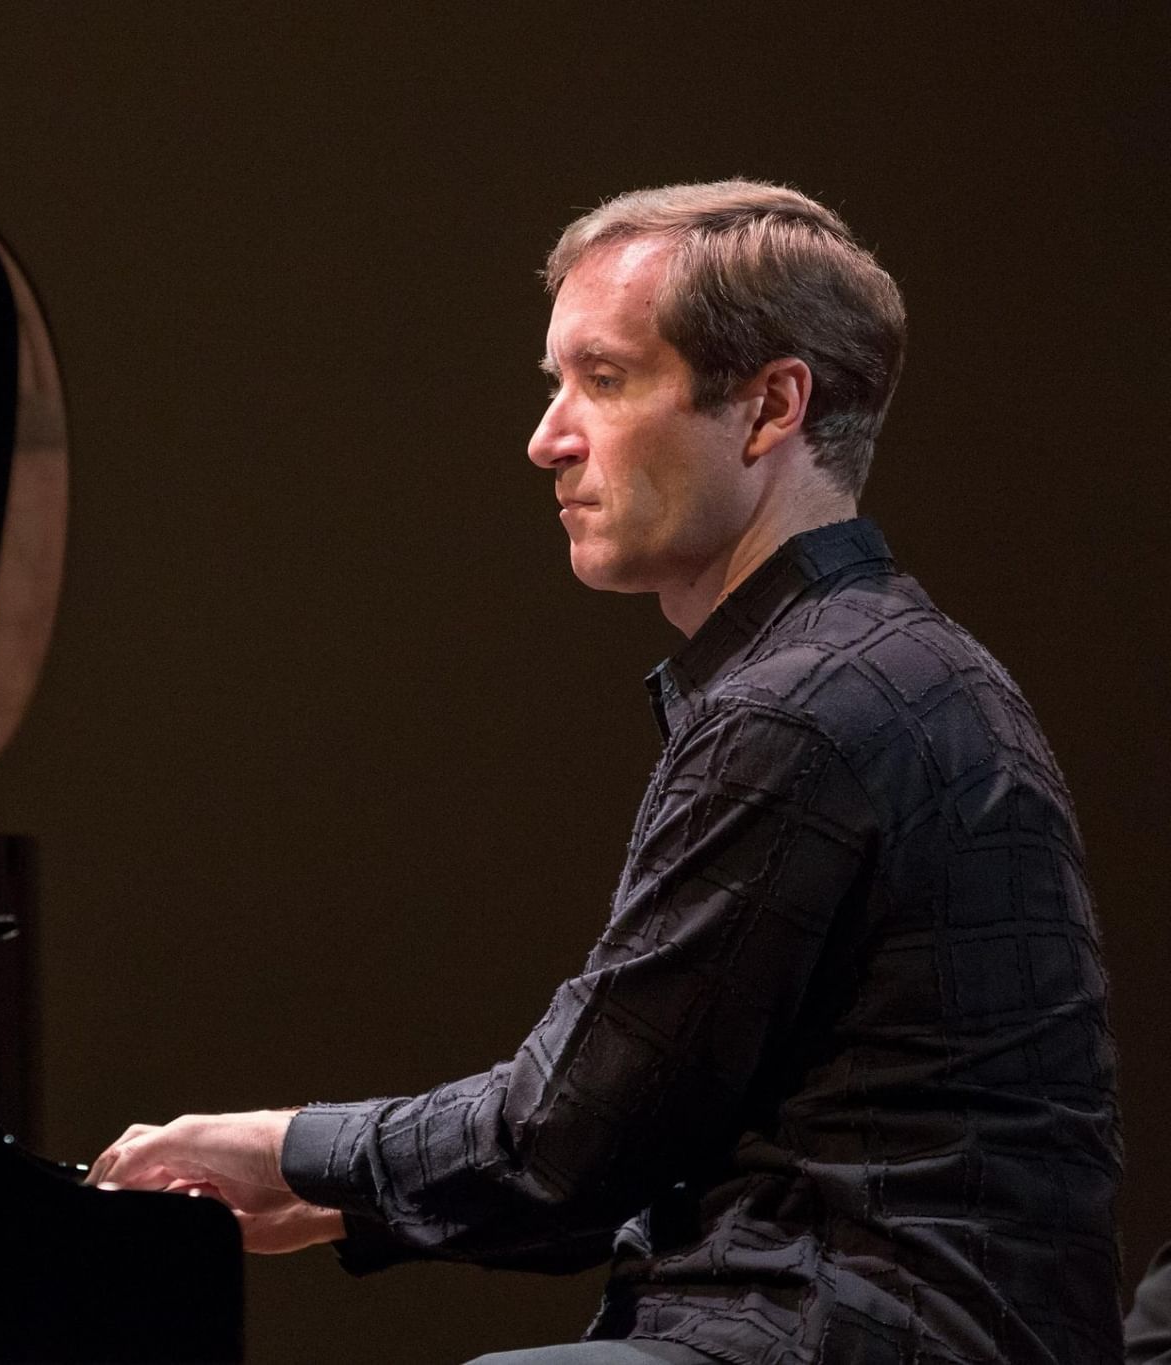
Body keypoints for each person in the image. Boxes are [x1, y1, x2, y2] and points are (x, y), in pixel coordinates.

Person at [91, 181, 1124, 1364]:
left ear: (767, 406)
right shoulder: (876, 667)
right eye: (554, 384)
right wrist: (342, 1202)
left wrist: (285, 1148)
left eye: (604, 378)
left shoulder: (803, 709)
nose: (547, 438)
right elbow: (636, 1136)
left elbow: (563, 1139)